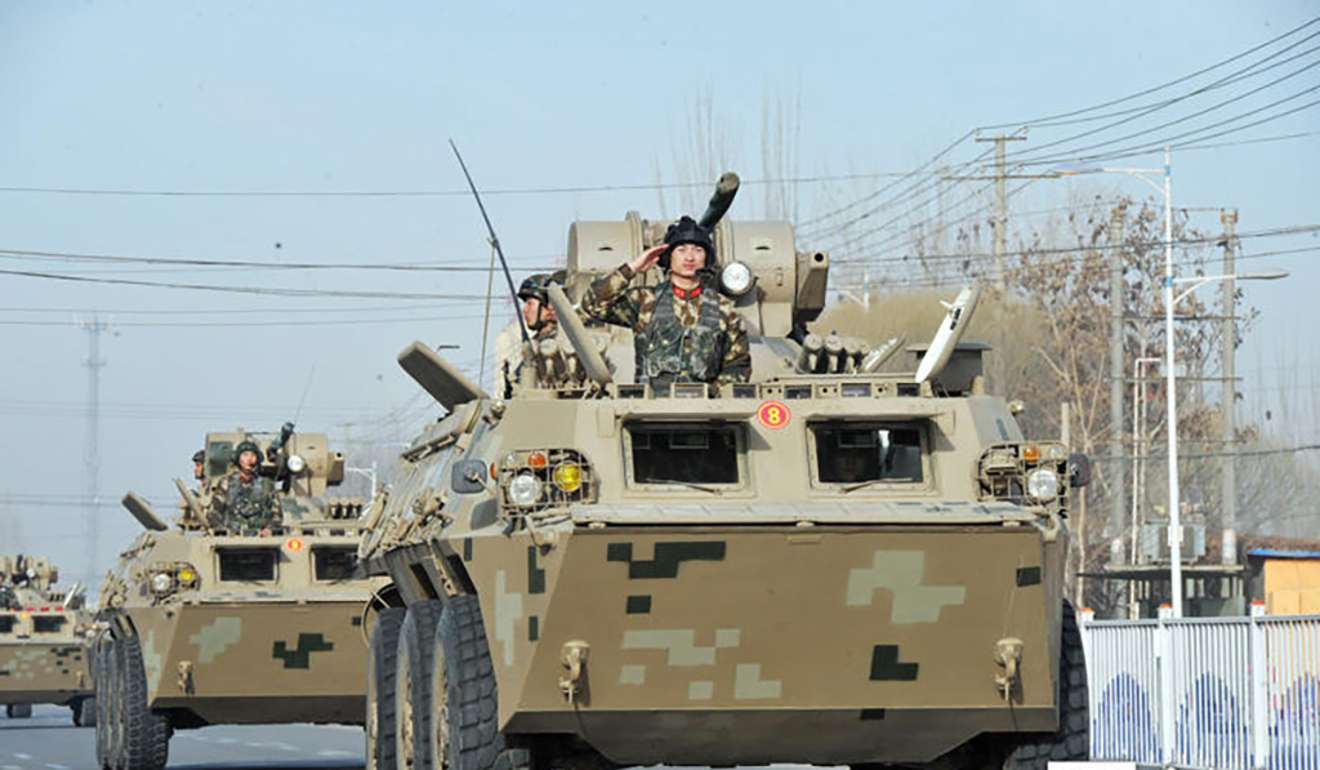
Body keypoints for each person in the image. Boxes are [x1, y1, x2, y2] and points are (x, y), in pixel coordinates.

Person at [580, 215, 750, 390]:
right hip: (650, 407)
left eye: (698, 250)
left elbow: (738, 365)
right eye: (681, 250)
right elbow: (592, 304)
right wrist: (632, 268)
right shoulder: (645, 301)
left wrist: (714, 397)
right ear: (669, 256)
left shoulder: (724, 309)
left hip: (705, 410)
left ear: (707, 257)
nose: (690, 257)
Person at [495, 270, 568, 397]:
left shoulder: (561, 345)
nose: (525, 310)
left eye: (530, 304)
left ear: (549, 307)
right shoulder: (533, 344)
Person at [207, 439, 281, 534]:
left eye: (253, 455)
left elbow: (277, 514)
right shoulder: (226, 483)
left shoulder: (267, 484)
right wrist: (222, 530)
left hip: (261, 537)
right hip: (232, 537)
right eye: (245, 455)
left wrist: (270, 529)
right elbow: (214, 513)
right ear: (238, 458)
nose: (249, 459)